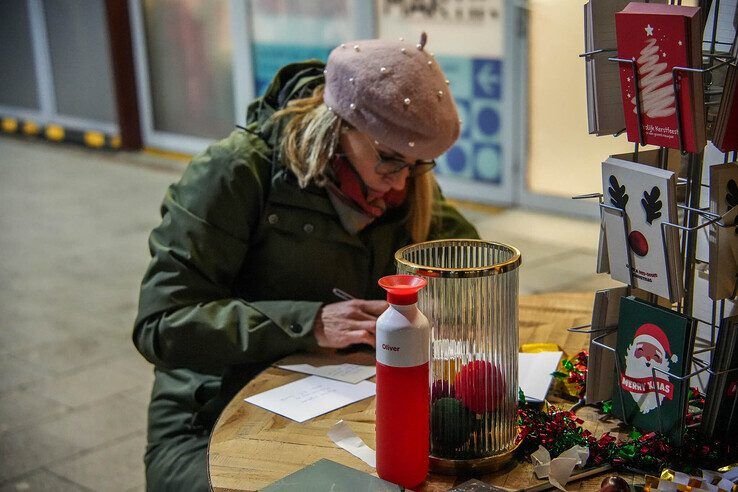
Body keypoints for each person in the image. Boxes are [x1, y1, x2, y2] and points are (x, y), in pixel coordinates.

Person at [133, 33, 479, 491]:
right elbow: (162, 325)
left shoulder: (402, 181)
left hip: (337, 400)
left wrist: (434, 302)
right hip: (210, 410)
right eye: (390, 160)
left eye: (419, 166)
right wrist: (309, 323)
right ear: (339, 125)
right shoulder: (236, 173)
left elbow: (465, 268)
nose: (397, 186)